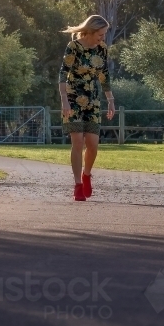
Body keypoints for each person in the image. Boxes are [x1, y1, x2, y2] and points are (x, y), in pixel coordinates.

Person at [58, 15, 115, 201]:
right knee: (77, 143)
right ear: (90, 31)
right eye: (101, 34)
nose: (102, 38)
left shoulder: (102, 49)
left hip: (93, 100)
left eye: (104, 34)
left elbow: (104, 75)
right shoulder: (74, 47)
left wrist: (110, 100)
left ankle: (87, 174)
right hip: (73, 99)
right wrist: (64, 100)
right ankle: (77, 184)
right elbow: (62, 74)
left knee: (93, 145)